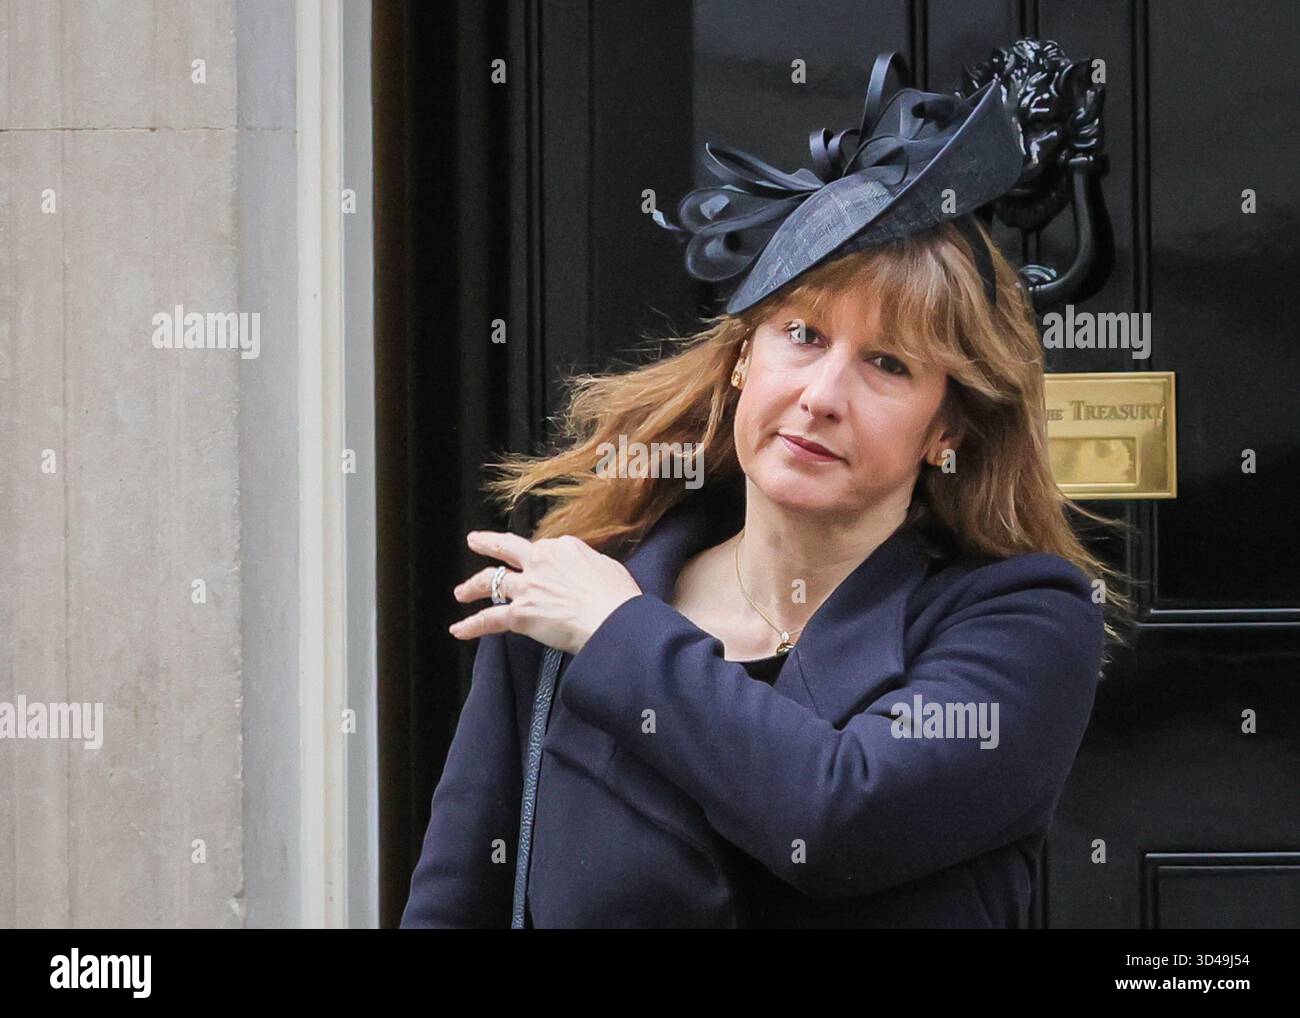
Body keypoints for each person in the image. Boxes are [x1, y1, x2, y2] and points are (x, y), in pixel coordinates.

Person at [400, 53, 1132, 929]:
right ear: (745, 358)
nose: (823, 395)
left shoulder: (1023, 621)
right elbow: (455, 904)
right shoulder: (560, 615)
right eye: (802, 334)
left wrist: (623, 635)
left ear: (948, 429)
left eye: (888, 365)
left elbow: (837, 818)